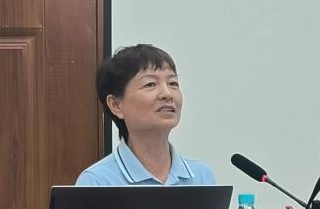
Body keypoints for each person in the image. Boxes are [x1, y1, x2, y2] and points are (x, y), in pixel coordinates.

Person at [76, 44, 216, 186]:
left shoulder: (202, 176)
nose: (167, 94)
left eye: (173, 83)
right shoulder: (97, 181)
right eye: (150, 84)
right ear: (116, 105)